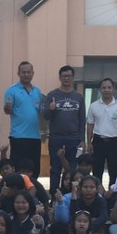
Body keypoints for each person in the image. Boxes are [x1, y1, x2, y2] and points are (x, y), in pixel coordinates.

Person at [43, 64, 86, 193]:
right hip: (56, 137)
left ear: (73, 78)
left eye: (69, 76)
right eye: (64, 76)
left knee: (72, 169)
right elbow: (45, 116)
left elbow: (82, 119)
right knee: (55, 168)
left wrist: (82, 139)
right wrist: (50, 109)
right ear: (60, 77)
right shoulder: (52, 95)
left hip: (74, 138)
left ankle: (70, 196)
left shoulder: (79, 97)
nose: (66, 78)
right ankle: (54, 197)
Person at [3, 60, 45, 178]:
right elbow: (7, 111)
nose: (26, 74)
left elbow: (40, 112)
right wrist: (7, 107)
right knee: (17, 167)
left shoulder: (37, 92)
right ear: (18, 73)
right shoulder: (11, 90)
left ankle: (33, 191)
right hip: (18, 136)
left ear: (32, 73)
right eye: (23, 72)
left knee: (35, 168)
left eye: (28, 72)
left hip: (35, 137)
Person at [86, 77, 117, 187]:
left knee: (114, 170)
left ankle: (113, 194)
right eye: (104, 87)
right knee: (97, 171)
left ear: (113, 89)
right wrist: (89, 142)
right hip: (98, 141)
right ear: (100, 89)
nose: (107, 90)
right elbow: (90, 124)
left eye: (109, 87)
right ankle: (98, 193)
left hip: (114, 142)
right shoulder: (93, 106)